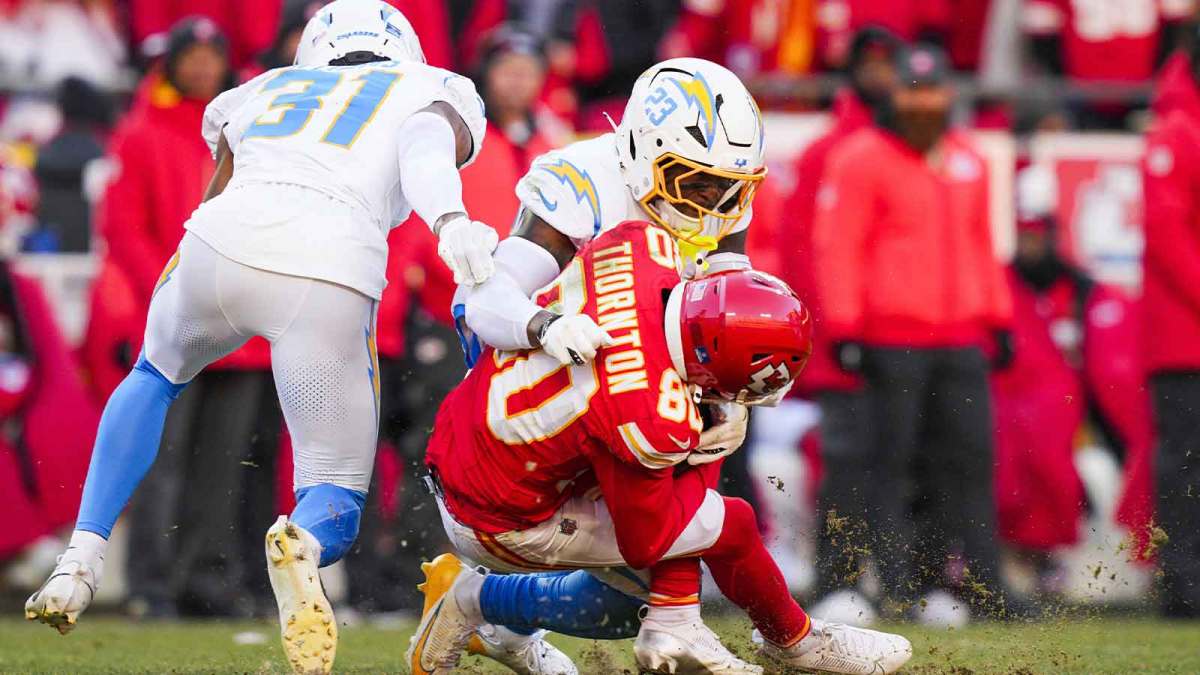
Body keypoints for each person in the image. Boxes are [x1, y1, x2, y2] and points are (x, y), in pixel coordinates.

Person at [25, 2, 497, 673]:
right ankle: (300, 543)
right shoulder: (429, 86)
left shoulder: (263, 87)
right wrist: (452, 222)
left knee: (154, 376)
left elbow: (215, 189)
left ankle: (82, 554)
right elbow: (424, 144)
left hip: (217, 242)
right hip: (328, 265)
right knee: (335, 491)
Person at [411, 220, 912, 675]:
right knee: (729, 527)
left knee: (668, 565)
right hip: (501, 514)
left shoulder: (639, 242)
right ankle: (795, 641)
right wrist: (703, 440)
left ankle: (484, 601)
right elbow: (645, 540)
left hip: (470, 434)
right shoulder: (650, 417)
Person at [812, 43, 1013, 624]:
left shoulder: (968, 159)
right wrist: (846, 326)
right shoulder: (862, 159)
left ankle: (967, 585)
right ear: (893, 94)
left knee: (965, 465)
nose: (923, 102)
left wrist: (997, 318)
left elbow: (981, 247)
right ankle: (894, 584)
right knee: (888, 466)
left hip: (957, 339)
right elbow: (839, 247)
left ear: (949, 94)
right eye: (913, 90)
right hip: (890, 337)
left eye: (932, 90)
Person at [773, 25, 901, 622]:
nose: (880, 75)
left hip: (907, 337)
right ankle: (839, 581)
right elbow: (805, 256)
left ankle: (904, 582)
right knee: (848, 466)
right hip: (852, 342)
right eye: (870, 63)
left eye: (889, 64)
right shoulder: (827, 153)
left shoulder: (922, 148)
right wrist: (827, 340)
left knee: (905, 462)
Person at [1141, 32, 1200, 619]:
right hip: (1186, 340)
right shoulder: (1175, 133)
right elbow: (1169, 239)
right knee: (1187, 465)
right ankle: (1184, 586)